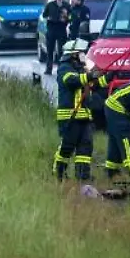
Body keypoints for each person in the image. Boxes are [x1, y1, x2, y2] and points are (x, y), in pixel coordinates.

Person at [52, 39, 108, 181]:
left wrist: (107, 77)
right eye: (81, 53)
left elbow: (93, 85)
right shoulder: (64, 68)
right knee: (67, 147)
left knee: (85, 147)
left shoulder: (82, 70)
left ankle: (83, 176)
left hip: (84, 116)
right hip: (70, 116)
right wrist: (89, 76)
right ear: (74, 55)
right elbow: (72, 81)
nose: (84, 56)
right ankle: (59, 173)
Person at [42, 0, 70, 74]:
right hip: (52, 29)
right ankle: (49, 69)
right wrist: (50, 17)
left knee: (61, 50)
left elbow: (71, 16)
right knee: (50, 50)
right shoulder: (50, 5)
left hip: (61, 29)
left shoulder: (66, 5)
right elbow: (44, 15)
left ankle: (61, 69)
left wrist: (66, 18)